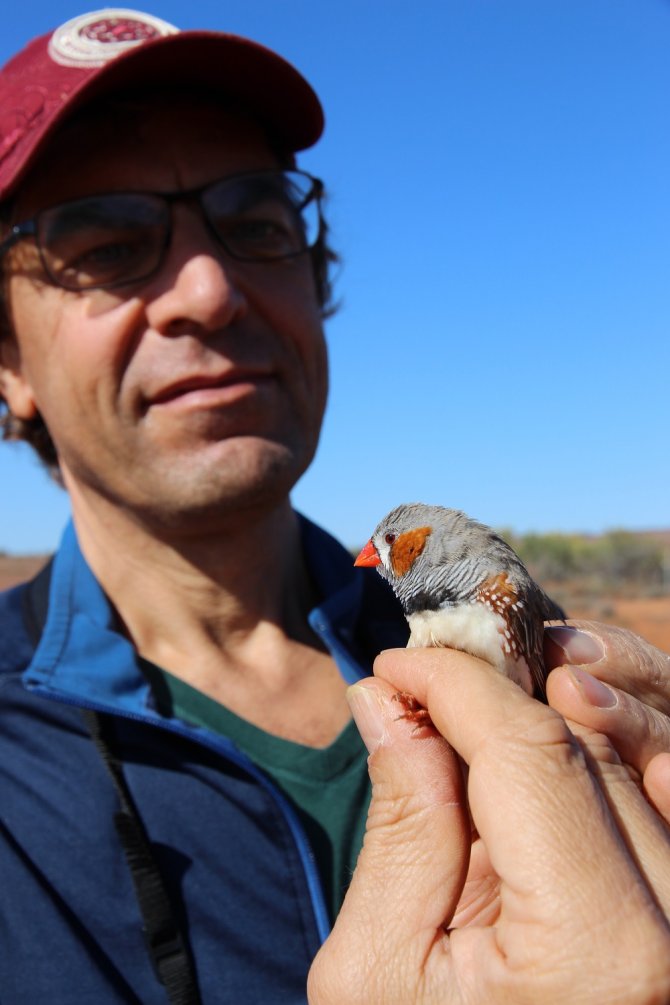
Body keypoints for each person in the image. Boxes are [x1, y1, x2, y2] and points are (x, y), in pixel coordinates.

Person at [0, 9, 667, 1005]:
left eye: (257, 222)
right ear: (8, 364)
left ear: (315, 288)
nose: (209, 290)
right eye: (105, 244)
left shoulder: (526, 661)